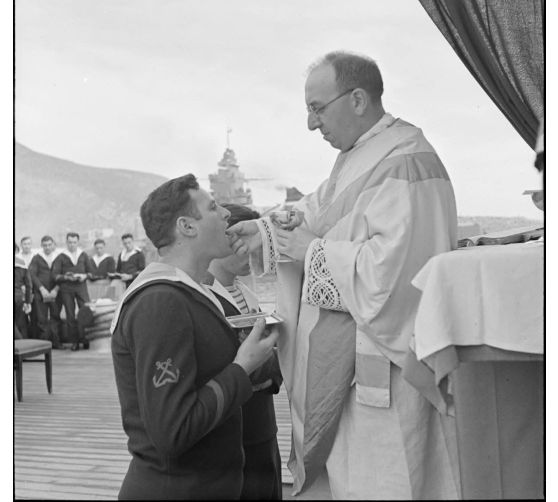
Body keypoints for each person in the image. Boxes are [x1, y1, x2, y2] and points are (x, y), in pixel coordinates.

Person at [229, 51, 459, 500]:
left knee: (389, 480)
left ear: (357, 99)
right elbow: (317, 210)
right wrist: (262, 231)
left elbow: (394, 275)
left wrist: (311, 252)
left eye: (317, 108)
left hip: (383, 368)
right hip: (348, 357)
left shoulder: (407, 160)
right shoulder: (361, 154)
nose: (311, 124)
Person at [110, 174, 279, 500]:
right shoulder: (161, 301)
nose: (227, 215)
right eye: (214, 207)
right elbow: (173, 430)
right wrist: (242, 368)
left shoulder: (192, 292)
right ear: (187, 227)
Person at [206, 203, 283, 500]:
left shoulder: (247, 293)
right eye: (248, 242)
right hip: (234, 432)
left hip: (262, 425)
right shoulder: (206, 299)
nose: (255, 251)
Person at [52, 232, 93, 351]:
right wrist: (66, 277)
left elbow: (90, 272)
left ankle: (86, 340)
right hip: (67, 289)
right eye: (70, 242)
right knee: (70, 315)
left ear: (77, 242)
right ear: (66, 242)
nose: (72, 244)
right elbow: (55, 275)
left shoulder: (83, 255)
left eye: (74, 242)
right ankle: (74, 342)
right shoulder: (61, 256)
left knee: (85, 312)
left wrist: (85, 276)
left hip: (81, 287)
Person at [28, 235, 64, 348]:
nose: (47, 247)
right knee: (41, 319)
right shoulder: (37, 258)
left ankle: (56, 342)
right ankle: (43, 345)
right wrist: (41, 289)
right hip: (41, 292)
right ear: (41, 246)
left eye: (49, 245)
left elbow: (63, 274)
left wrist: (56, 289)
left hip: (55, 292)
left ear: (53, 244)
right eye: (45, 245)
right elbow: (32, 275)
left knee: (55, 316)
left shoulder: (59, 258)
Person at [14, 244, 32, 338]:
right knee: (19, 322)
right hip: (18, 297)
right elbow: (29, 285)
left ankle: (20, 342)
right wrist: (28, 302)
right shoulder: (22, 263)